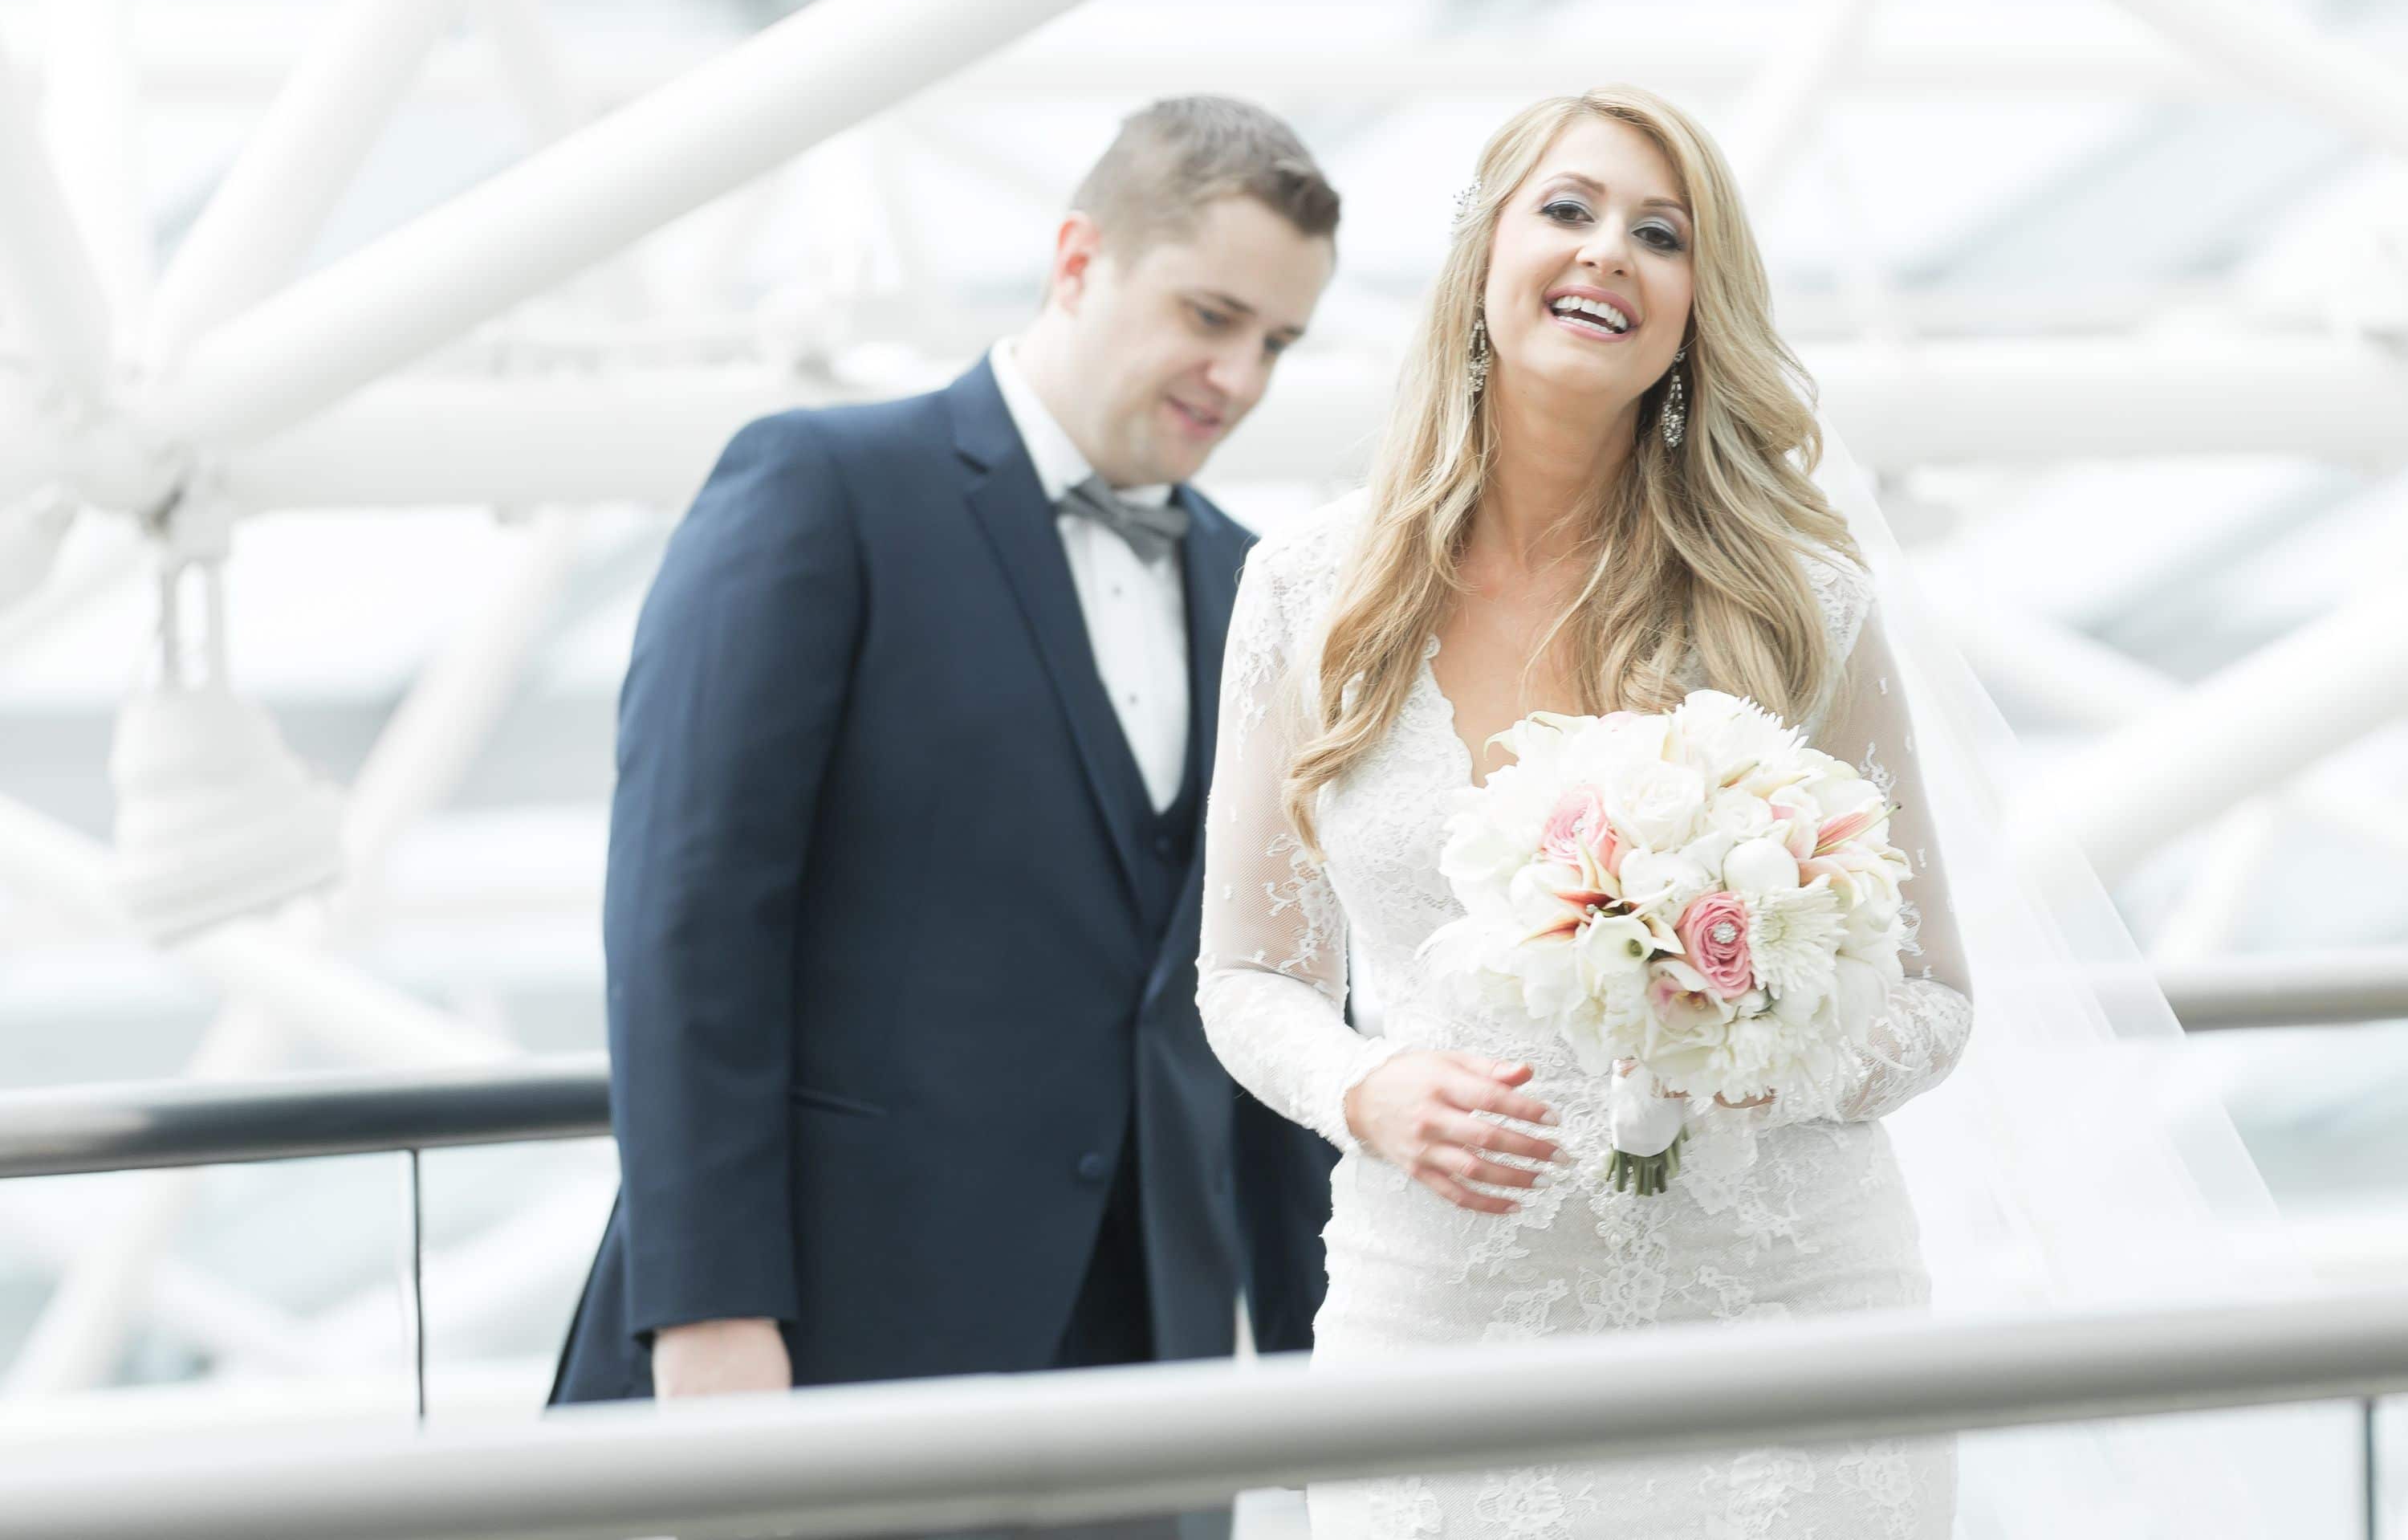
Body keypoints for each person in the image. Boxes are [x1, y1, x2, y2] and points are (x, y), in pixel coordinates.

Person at [1195, 85, 1968, 1535]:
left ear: (1693, 312)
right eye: (1569, 209)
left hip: (1784, 1331)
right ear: (1484, 257)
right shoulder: (1310, 590)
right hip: (1436, 1331)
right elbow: (1244, 976)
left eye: (1659, 234)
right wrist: (1360, 1088)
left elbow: (1930, 998)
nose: (1609, 250)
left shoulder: (1803, 610)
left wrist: (1770, 1053)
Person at [551, 96, 1344, 1430]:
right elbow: (688, 922)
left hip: (1152, 1369)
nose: (1243, 379)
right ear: (1077, 259)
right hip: (831, 1330)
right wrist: (709, 1309)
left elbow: (1268, 983)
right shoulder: (821, 488)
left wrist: (1331, 1366)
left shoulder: (1258, 583)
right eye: (1211, 318)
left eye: (1278, 343)